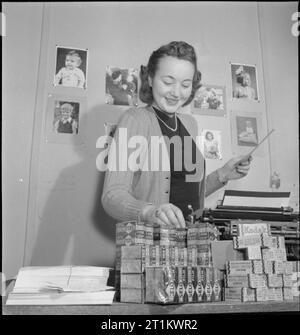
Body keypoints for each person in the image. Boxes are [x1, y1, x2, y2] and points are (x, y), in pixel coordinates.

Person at [102, 41, 252, 228]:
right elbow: (112, 195)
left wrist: (222, 175)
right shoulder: (135, 119)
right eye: (167, 82)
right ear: (150, 78)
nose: (176, 92)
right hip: (154, 246)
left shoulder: (190, 124)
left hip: (193, 241)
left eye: (185, 84)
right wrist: (149, 212)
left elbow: (185, 192)